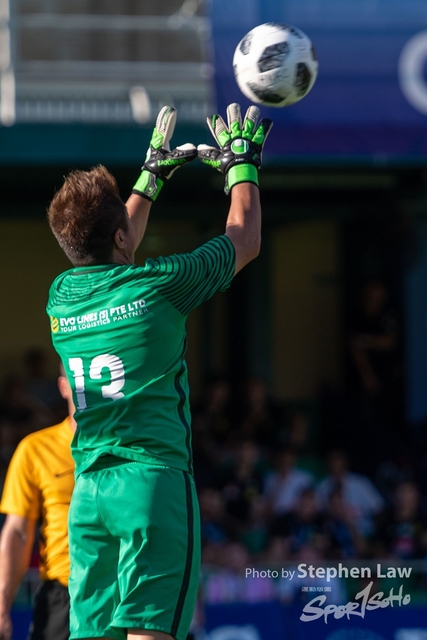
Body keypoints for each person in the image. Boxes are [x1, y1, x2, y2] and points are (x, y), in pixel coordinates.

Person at [45, 103, 272, 640]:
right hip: (152, 484)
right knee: (150, 632)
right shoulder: (160, 287)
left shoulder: (61, 297)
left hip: (90, 497)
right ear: (121, 237)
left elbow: (112, 245)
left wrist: (149, 179)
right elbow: (245, 239)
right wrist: (242, 164)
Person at [0, 369, 75, 640]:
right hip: (62, 596)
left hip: (122, 593)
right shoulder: (35, 449)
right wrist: (2, 604)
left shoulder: (131, 447)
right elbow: (18, 531)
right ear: (63, 386)